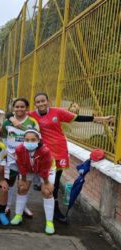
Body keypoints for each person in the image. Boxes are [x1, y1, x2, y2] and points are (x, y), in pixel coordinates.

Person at [8, 92, 114, 223]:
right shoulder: (32, 115)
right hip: (42, 154)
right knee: (35, 182)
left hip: (59, 152)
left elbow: (78, 118)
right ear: (35, 104)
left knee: (55, 183)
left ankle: (55, 212)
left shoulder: (58, 112)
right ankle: (25, 209)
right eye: (38, 102)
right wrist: (11, 118)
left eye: (43, 101)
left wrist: (102, 119)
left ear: (48, 102)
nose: (41, 104)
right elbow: (15, 114)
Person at [10, 129, 56, 235]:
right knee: (22, 188)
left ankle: (49, 222)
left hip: (46, 170)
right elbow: (21, 165)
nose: (29, 142)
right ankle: (18, 215)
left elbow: (44, 170)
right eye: (27, 140)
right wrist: (23, 179)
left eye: (33, 140)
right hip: (28, 169)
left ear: (39, 140)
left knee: (47, 192)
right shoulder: (19, 149)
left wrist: (46, 183)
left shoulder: (45, 151)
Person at [2, 98, 38, 216]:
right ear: (13, 108)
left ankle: (23, 207)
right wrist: (7, 153)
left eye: (22, 107)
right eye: (17, 107)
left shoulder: (32, 122)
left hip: (26, 158)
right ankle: (7, 205)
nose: (19, 109)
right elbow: (3, 139)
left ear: (27, 108)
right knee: (10, 182)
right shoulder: (7, 122)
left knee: (24, 184)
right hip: (11, 157)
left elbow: (37, 139)